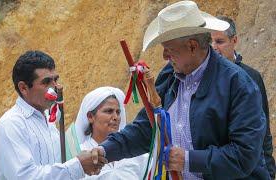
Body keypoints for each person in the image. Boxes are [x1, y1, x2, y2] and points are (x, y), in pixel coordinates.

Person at [92, 1, 270, 179]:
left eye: (169, 49)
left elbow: (245, 155)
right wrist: (105, 150)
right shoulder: (170, 76)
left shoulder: (238, 84)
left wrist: (188, 159)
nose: (164, 56)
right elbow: (147, 128)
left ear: (192, 46)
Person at [0, 50, 106, 180]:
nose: (55, 87)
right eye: (46, 82)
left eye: (55, 80)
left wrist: (87, 159)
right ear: (23, 88)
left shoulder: (48, 121)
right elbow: (25, 176)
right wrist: (78, 165)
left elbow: (56, 165)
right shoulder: (11, 125)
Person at [211, 15, 275, 179]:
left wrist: (269, 170)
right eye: (210, 43)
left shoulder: (251, 77)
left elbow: (264, 130)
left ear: (234, 40)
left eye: (220, 41)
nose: (214, 48)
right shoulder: (203, 79)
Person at [65, 86, 148, 179]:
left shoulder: (137, 154)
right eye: (109, 111)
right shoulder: (78, 156)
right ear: (90, 117)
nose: (115, 117)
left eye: (118, 112)